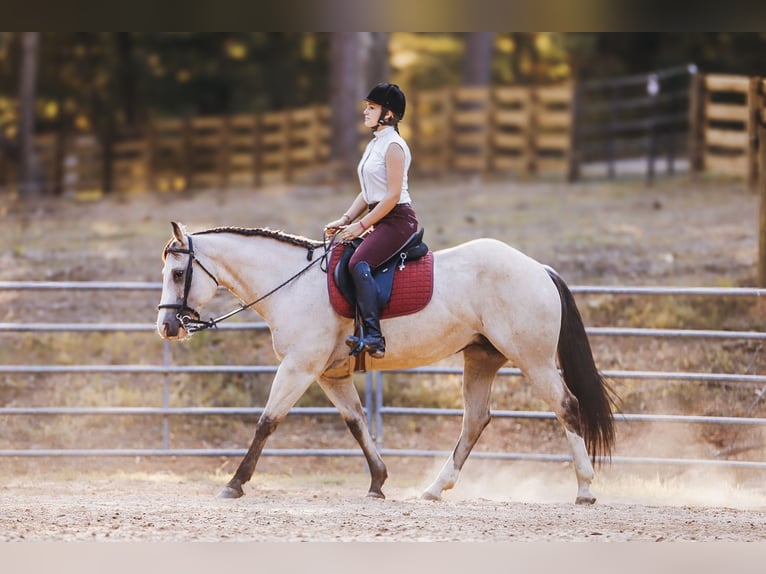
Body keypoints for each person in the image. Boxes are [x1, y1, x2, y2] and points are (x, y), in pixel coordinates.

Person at [325, 82, 418, 359]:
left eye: (372, 107)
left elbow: (390, 197)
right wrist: (345, 219)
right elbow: (368, 193)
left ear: (388, 114)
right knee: (342, 253)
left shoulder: (394, 147)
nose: (365, 111)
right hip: (380, 216)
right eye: (367, 107)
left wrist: (362, 226)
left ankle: (375, 338)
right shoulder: (374, 144)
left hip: (398, 219)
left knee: (358, 262)